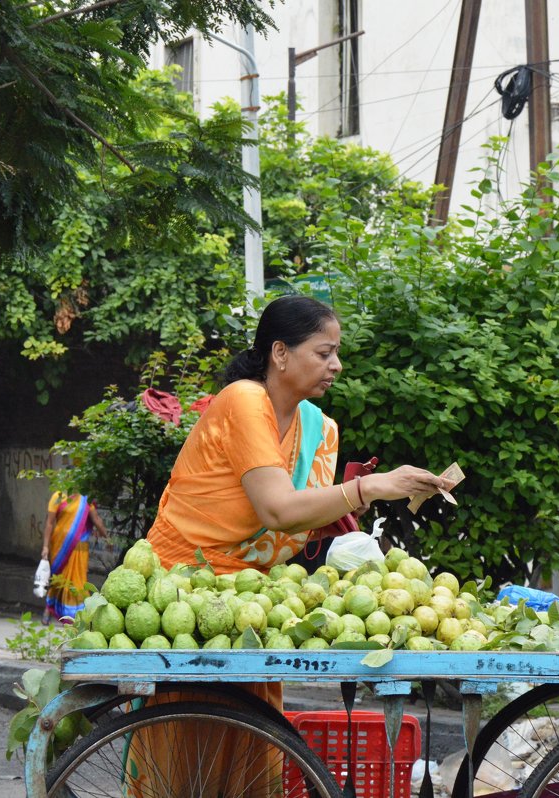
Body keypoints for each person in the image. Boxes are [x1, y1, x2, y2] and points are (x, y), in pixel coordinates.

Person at [132, 294, 451, 794]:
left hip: (253, 607)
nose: (336, 365)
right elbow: (277, 509)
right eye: (324, 353)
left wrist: (342, 518)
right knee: (181, 759)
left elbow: (298, 525)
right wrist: (368, 487)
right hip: (181, 592)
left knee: (251, 756)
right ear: (280, 353)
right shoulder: (242, 399)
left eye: (337, 353)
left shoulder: (320, 430)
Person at [39, 491, 108, 624]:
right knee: (58, 579)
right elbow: (49, 523)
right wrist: (45, 547)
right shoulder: (58, 496)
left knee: (78, 583)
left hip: (79, 550)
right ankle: (48, 609)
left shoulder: (85, 499)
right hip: (60, 547)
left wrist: (105, 534)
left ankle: (79, 617)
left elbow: (96, 519)